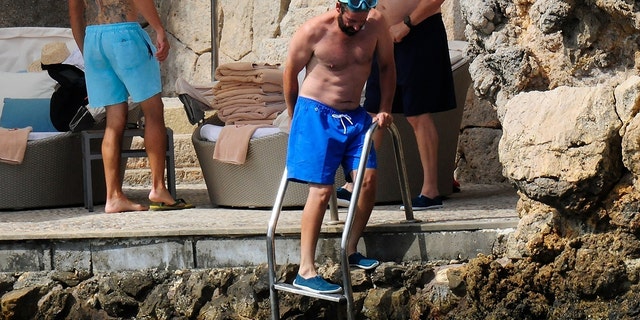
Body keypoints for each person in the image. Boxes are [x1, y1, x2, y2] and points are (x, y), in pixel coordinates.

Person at [283, 0, 395, 294]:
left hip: (355, 115)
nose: (358, 26)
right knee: (321, 192)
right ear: (338, 7)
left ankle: (350, 248)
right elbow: (290, 74)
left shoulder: (376, 25)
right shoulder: (313, 31)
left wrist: (384, 108)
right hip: (316, 113)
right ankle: (305, 270)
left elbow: (387, 67)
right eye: (352, 21)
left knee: (368, 181)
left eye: (362, 21)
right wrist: (296, 117)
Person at [69, 0, 192, 213]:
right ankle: (158, 188)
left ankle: (113, 197)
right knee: (153, 111)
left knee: (113, 121)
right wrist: (159, 29)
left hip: (93, 40)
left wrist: (86, 51)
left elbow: (75, 12)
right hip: (124, 34)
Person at [337, 0, 457, 211]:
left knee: (417, 113)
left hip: (418, 31)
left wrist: (407, 24)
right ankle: (355, 184)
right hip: (384, 34)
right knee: (374, 110)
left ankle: (430, 191)